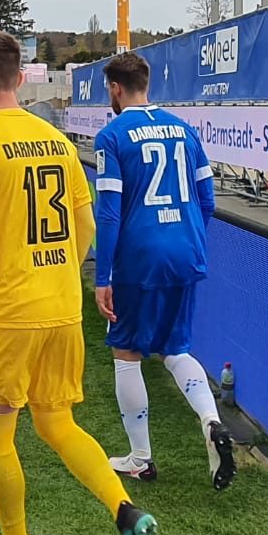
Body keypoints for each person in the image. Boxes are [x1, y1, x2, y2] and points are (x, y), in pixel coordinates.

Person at [0, 30, 161, 535]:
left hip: (8, 312)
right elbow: (85, 225)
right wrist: (59, 274)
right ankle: (126, 512)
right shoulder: (57, 140)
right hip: (60, 308)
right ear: (19, 78)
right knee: (57, 422)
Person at [92, 51, 234, 490]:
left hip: (141, 255)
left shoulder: (112, 135)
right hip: (186, 250)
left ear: (115, 88)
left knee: (127, 351)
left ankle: (140, 458)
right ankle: (211, 421)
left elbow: (110, 214)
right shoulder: (185, 130)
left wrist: (103, 276)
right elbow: (207, 201)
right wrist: (186, 234)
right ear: (146, 83)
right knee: (176, 347)